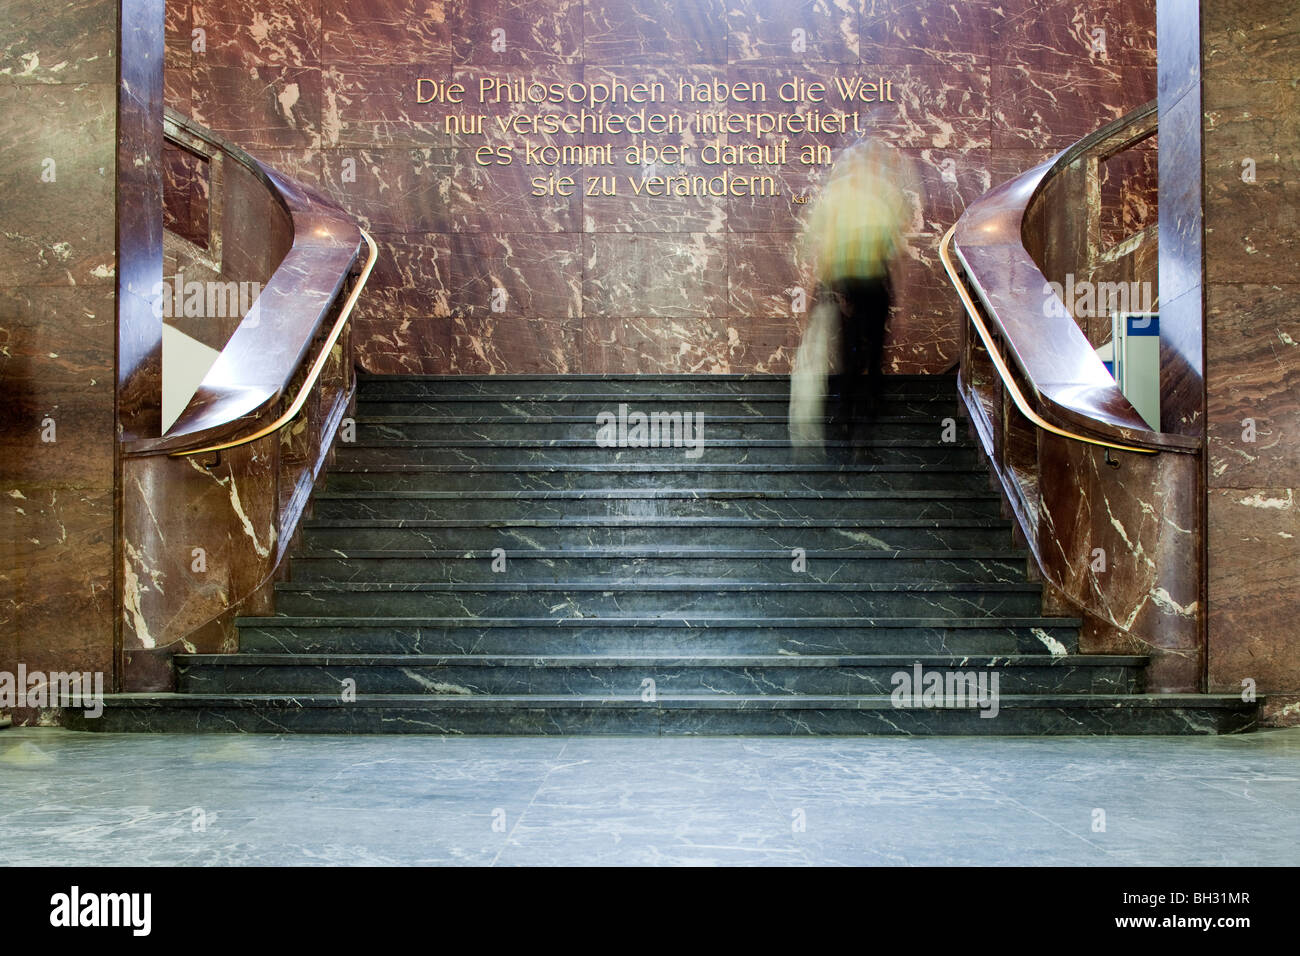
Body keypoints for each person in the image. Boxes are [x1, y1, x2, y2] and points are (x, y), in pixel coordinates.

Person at [799, 138, 915, 443]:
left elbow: (820, 246)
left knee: (848, 348)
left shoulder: (833, 196)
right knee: (874, 345)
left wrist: (817, 286)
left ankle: (845, 413)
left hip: (843, 281)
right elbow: (893, 249)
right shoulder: (880, 197)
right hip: (874, 280)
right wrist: (897, 295)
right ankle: (872, 402)